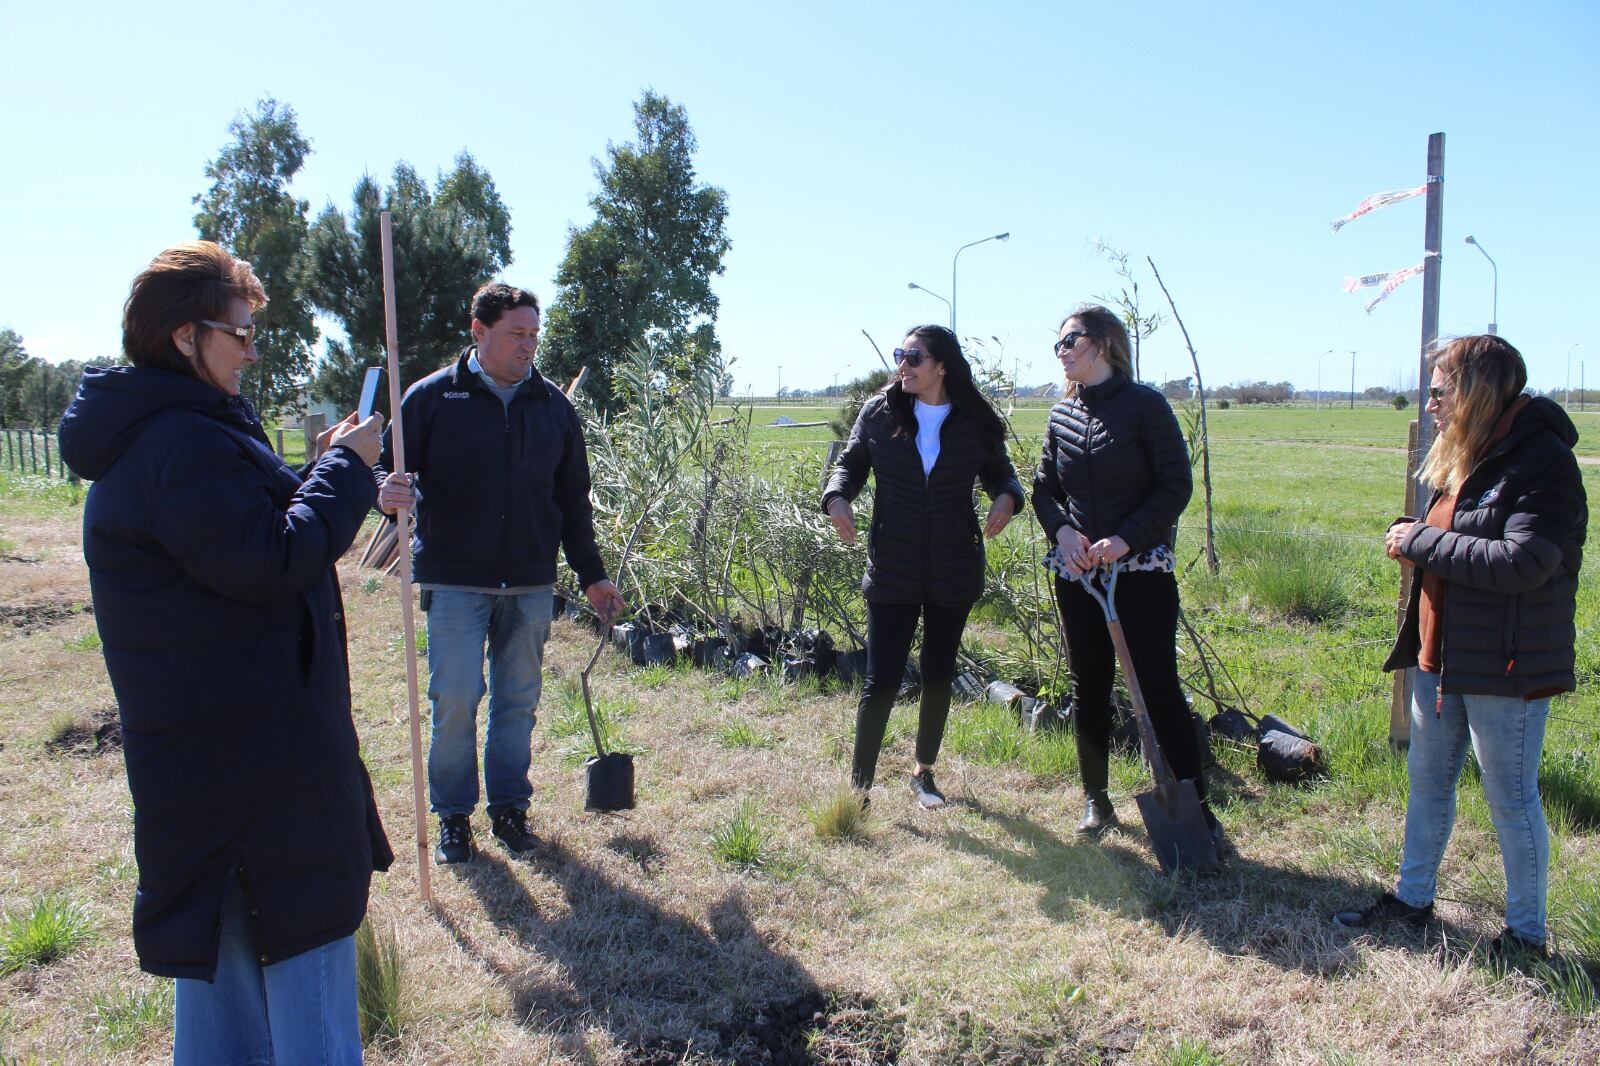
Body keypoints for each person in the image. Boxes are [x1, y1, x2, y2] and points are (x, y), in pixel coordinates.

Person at [58, 241, 393, 1064]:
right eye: (239, 334)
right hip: (259, 784)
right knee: (304, 1006)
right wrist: (345, 471)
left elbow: (240, 532)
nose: (252, 352)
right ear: (183, 338)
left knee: (232, 1008)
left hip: (223, 777)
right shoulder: (179, 444)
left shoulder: (174, 435)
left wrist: (320, 471)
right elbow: (268, 558)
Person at [1334, 335, 1586, 958]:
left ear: (1475, 390)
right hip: (1440, 658)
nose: (1432, 400)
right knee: (1428, 782)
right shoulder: (1468, 454)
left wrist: (1420, 541)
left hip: (1507, 664)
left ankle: (1527, 936)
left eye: (1441, 388)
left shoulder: (1542, 460)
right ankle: (1413, 901)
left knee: (1510, 800)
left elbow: (1525, 561)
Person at [376, 282, 625, 865]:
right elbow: (385, 474)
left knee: (517, 702)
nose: (528, 345)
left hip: (531, 583)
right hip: (456, 579)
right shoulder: (431, 399)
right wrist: (383, 492)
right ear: (478, 331)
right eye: (517, 333)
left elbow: (573, 501)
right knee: (456, 698)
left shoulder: (553, 409)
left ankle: (510, 809)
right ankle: (453, 818)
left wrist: (591, 574)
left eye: (535, 334)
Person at [1032, 304, 1215, 842]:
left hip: (1140, 570)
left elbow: (1174, 486)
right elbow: (1045, 490)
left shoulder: (1145, 407)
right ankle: (1096, 800)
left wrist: (1126, 539)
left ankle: (1193, 804)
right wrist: (1064, 534)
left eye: (1071, 340)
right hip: (1080, 574)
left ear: (1105, 343)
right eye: (1059, 344)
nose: (1062, 351)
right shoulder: (1061, 416)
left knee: (1158, 686)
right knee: (1088, 686)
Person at [822, 324, 1023, 809]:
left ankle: (923, 774)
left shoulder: (973, 419)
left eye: (914, 357)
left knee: (938, 675)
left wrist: (1007, 497)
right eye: (901, 355)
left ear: (941, 366)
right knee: (882, 679)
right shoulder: (880, 412)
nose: (903, 365)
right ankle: (860, 786)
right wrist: (837, 497)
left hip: (954, 567)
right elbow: (849, 464)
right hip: (893, 565)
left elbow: (1000, 471)